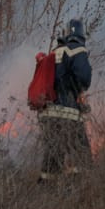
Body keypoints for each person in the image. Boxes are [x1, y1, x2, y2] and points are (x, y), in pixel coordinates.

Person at [38, 18, 92, 182]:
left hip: (49, 113)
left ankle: (46, 192)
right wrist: (79, 91)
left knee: (53, 155)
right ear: (81, 34)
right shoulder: (77, 49)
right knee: (82, 155)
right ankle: (79, 190)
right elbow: (84, 77)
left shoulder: (57, 51)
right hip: (68, 112)